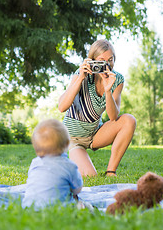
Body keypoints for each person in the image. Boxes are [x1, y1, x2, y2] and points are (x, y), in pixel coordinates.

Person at [58, 39, 136, 177]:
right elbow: (62, 107)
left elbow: (113, 117)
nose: (106, 64)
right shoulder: (81, 74)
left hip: (95, 134)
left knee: (129, 120)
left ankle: (111, 172)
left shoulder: (116, 79)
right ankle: (68, 164)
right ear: (92, 60)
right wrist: (80, 78)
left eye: (110, 60)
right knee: (91, 176)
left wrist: (108, 90)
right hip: (74, 138)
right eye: (101, 60)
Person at [22, 119, 83, 209]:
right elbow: (77, 189)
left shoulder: (35, 162)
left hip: (30, 207)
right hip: (58, 209)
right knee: (82, 206)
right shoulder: (69, 166)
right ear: (67, 143)